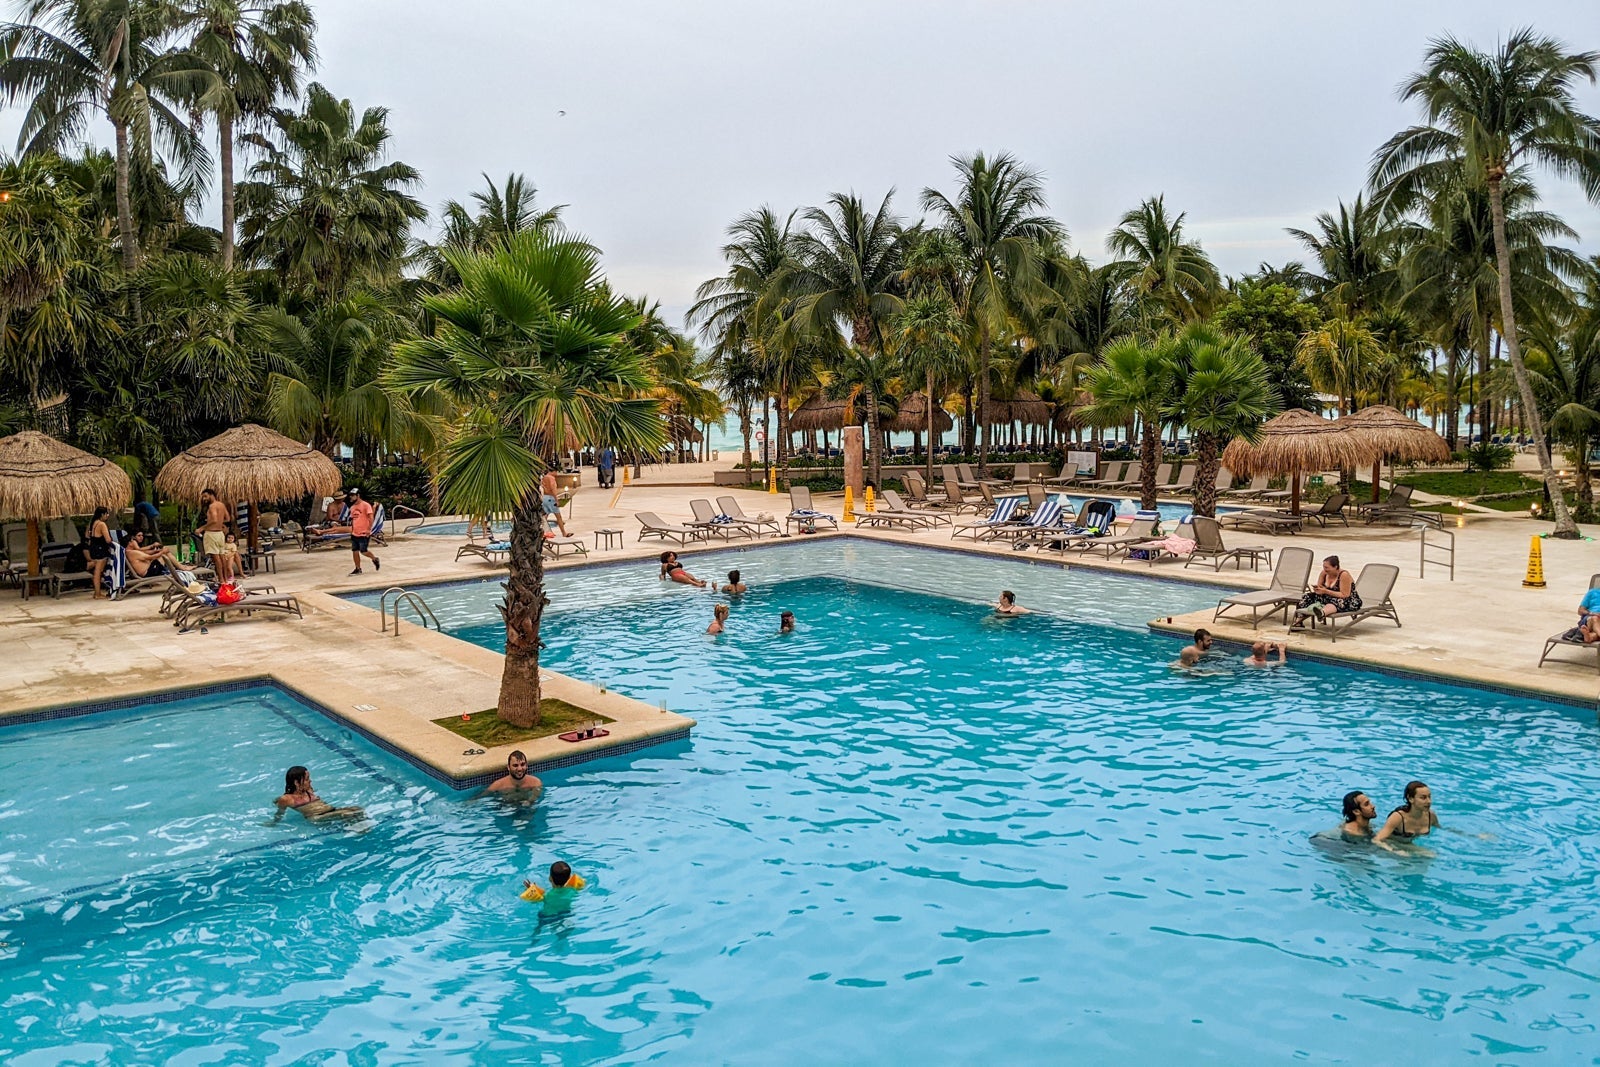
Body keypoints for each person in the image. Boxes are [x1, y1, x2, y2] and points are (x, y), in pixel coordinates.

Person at [273, 765, 365, 822]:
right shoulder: (287, 799)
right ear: (296, 783)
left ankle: (364, 829)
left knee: (358, 809)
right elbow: (280, 813)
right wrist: (274, 822)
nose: (310, 781)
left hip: (331, 811)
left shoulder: (309, 790)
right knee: (346, 814)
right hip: (316, 817)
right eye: (307, 779)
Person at [1292, 555, 1361, 629]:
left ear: (1335, 567)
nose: (1325, 569)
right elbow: (1320, 586)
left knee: (1336, 601)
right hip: (1328, 596)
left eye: (1327, 568)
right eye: (1324, 567)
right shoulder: (1324, 573)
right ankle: (1298, 621)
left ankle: (1322, 613)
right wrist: (1318, 589)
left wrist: (1325, 591)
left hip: (1347, 600)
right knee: (1307, 597)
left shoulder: (1344, 575)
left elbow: (1345, 594)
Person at [1373, 780, 1440, 846]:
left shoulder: (1431, 816)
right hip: (1393, 842)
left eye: (1429, 796)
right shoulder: (1398, 817)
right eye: (1423, 798)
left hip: (1410, 844)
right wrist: (1394, 851)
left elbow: (1439, 828)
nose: (1429, 801)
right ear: (1410, 799)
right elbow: (1377, 840)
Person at [521, 860, 586, 917]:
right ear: (569, 877)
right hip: (566, 912)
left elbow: (535, 899)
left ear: (550, 878)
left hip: (549, 916)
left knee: (540, 917)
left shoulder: (548, 895)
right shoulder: (572, 890)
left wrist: (531, 888)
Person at [196, 488, 235, 584]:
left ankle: (221, 579)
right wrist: (221, 524)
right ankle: (225, 578)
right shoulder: (221, 505)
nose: (204, 499)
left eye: (205, 496)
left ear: (211, 494)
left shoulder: (212, 506)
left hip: (211, 534)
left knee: (216, 559)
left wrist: (201, 528)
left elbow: (213, 519)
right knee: (222, 557)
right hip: (220, 534)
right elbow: (228, 518)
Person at [345, 488, 380, 576]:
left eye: (353, 495)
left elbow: (371, 517)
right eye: (351, 496)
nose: (351, 497)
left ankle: (374, 558)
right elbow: (353, 519)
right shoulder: (352, 507)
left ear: (358, 496)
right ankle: (358, 568)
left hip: (364, 532)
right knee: (355, 551)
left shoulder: (365, 505)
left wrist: (369, 529)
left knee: (363, 551)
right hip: (355, 532)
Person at [86, 506, 113, 598]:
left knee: (97, 571)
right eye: (107, 514)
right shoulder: (101, 524)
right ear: (102, 514)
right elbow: (108, 539)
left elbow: (88, 536)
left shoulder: (93, 523)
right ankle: (97, 593)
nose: (108, 516)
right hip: (100, 549)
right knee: (98, 572)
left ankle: (96, 592)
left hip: (94, 547)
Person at [540, 469, 571, 537]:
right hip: (551, 498)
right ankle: (564, 533)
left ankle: (543, 531)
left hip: (545, 497)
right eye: (556, 471)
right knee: (558, 517)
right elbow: (553, 488)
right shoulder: (551, 478)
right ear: (553, 471)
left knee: (545, 516)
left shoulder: (544, 478)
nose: (557, 473)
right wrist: (556, 500)